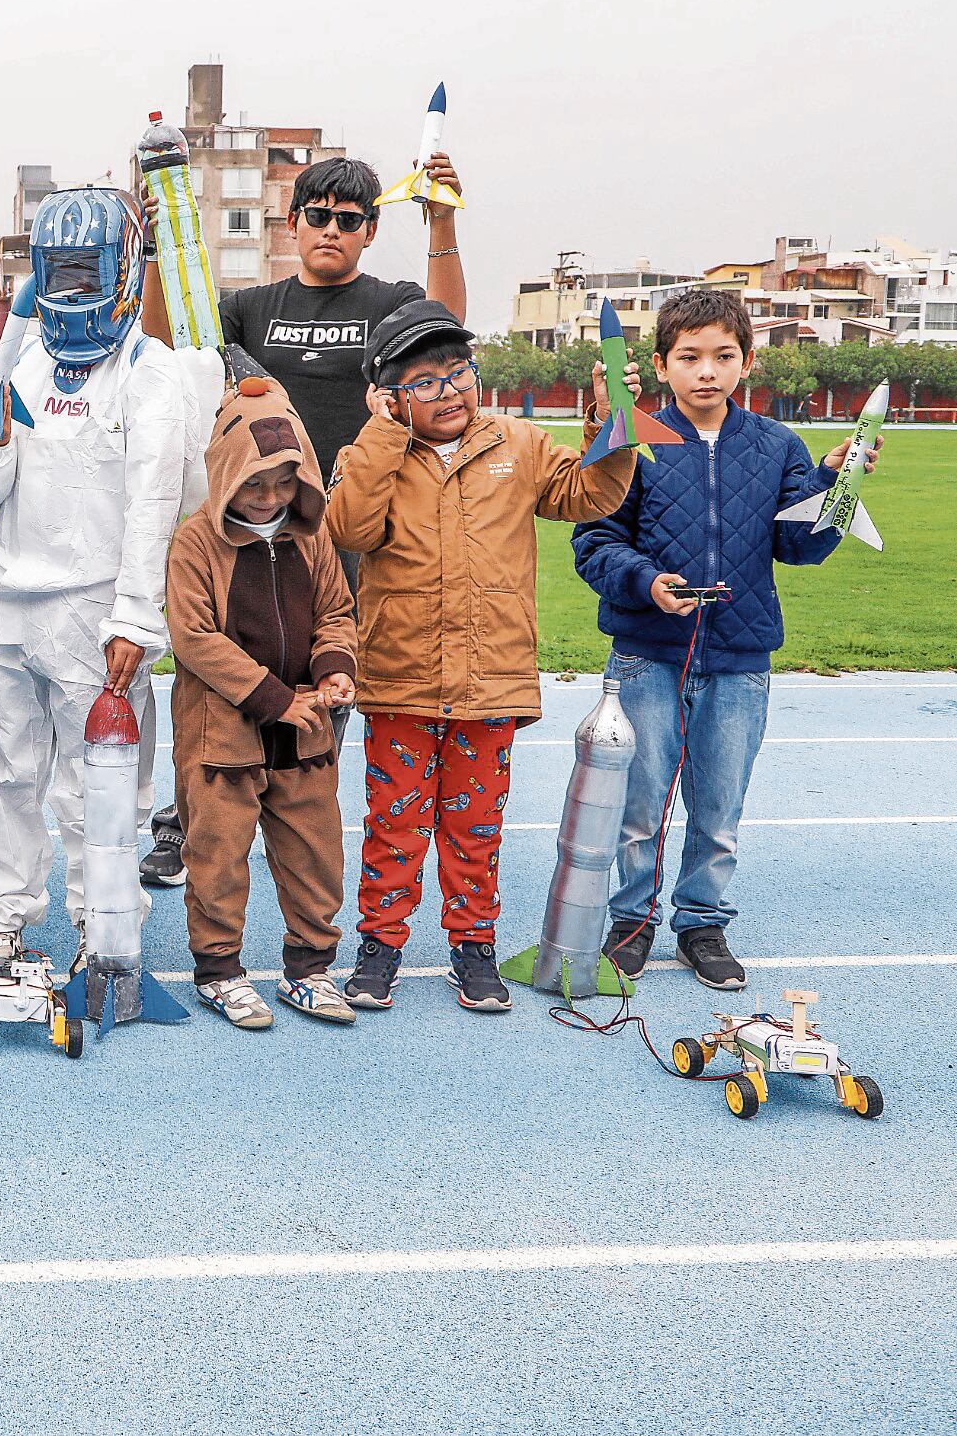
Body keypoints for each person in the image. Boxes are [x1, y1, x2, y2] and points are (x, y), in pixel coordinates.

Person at [143, 149, 469, 887]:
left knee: (322, 675)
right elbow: (168, 347)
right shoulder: (251, 308)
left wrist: (442, 219)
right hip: (245, 529)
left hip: (340, 534)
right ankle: (182, 822)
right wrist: (160, 255)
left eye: (348, 221)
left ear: (369, 231)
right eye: (317, 215)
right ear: (291, 224)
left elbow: (444, 322)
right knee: (217, 679)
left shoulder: (388, 303)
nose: (331, 229)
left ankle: (294, 813)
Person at [323, 298, 636, 1012]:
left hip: (490, 684)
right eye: (425, 381)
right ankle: (380, 947)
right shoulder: (370, 454)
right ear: (390, 394)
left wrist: (610, 428)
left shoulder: (519, 444)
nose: (451, 390)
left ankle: (475, 949)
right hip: (400, 681)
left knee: (476, 830)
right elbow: (349, 527)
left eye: (459, 372)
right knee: (393, 827)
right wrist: (381, 433)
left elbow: (589, 493)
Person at [572, 289, 878, 990]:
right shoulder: (632, 440)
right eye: (689, 357)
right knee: (639, 804)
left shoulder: (777, 446)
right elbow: (594, 544)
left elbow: (800, 547)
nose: (706, 371)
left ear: (746, 361)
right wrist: (647, 583)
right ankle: (634, 920)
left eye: (723, 356)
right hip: (648, 656)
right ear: (660, 364)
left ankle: (702, 923)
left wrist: (838, 482)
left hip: (739, 661)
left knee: (718, 807)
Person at [0, 188, 185, 968]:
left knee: (101, 788)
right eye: (62, 272)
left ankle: (103, 926)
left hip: (95, 613)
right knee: (4, 775)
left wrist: (134, 618)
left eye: (90, 272)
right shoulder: (22, 358)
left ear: (123, 271)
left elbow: (154, 504)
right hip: (10, 602)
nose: (75, 291)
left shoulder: (151, 372)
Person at [165, 371, 358, 1028]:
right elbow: (192, 636)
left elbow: (336, 610)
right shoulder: (197, 540)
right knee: (217, 847)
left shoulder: (311, 535)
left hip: (304, 725)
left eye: (283, 481)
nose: (269, 495)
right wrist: (273, 698)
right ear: (225, 473)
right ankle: (220, 970)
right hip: (223, 725)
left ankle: (309, 968)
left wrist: (333, 670)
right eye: (253, 481)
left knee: (315, 847)